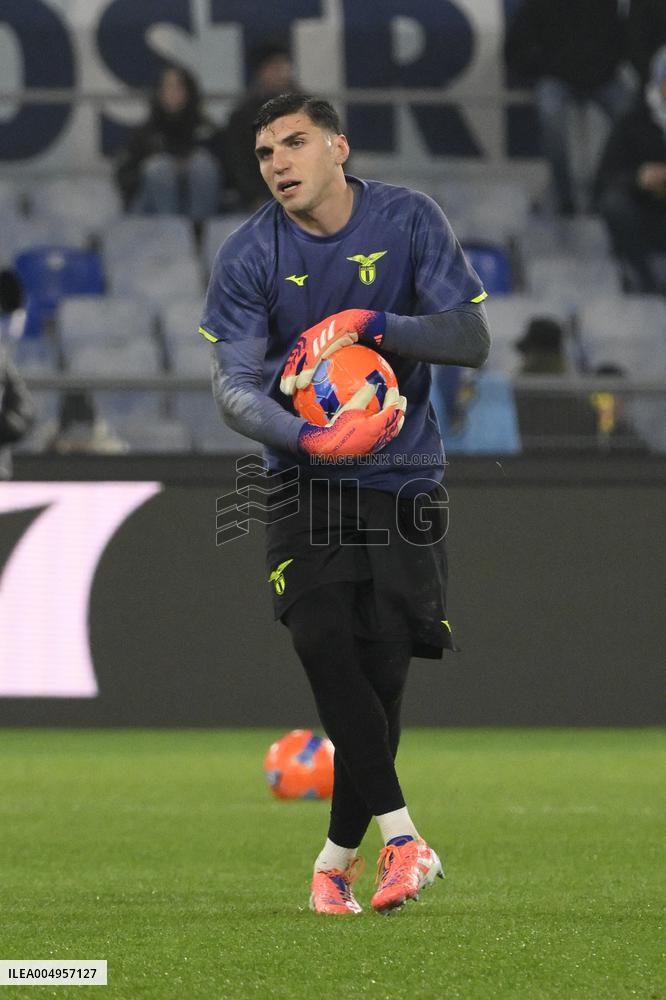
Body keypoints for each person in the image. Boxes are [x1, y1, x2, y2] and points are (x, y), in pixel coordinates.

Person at [199, 94, 490, 915]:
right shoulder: (251, 251)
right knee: (321, 633)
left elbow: (469, 338)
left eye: (294, 144)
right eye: (264, 153)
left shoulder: (408, 219)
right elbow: (233, 385)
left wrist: (372, 323)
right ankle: (405, 839)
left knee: (380, 673)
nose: (279, 164)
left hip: (404, 482)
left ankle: (336, 860)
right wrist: (308, 437)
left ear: (338, 148)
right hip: (302, 479)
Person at [504, 0, 632, 214]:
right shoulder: (539, 5)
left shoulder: (606, 4)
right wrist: (545, 67)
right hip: (557, 77)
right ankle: (564, 196)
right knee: (550, 116)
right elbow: (514, 48)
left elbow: (621, 38)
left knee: (631, 114)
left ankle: (605, 188)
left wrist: (606, 66)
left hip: (603, 77)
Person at [596, 46, 666, 292]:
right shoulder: (633, 122)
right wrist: (639, 178)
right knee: (614, 204)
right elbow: (605, 179)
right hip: (646, 213)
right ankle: (646, 282)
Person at [114, 64, 224, 221]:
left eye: (178, 87)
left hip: (197, 207)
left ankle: (198, 233)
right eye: (167, 87)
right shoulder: (144, 133)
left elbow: (225, 173)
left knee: (202, 165)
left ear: (189, 91)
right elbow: (125, 177)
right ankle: (171, 234)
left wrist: (186, 169)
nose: (172, 93)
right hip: (152, 212)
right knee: (159, 169)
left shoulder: (207, 130)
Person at [222, 45, 297, 211]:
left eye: (284, 66)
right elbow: (237, 163)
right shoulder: (243, 115)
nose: (282, 73)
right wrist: (255, 196)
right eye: (275, 67)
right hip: (259, 196)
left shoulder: (309, 109)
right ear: (261, 72)